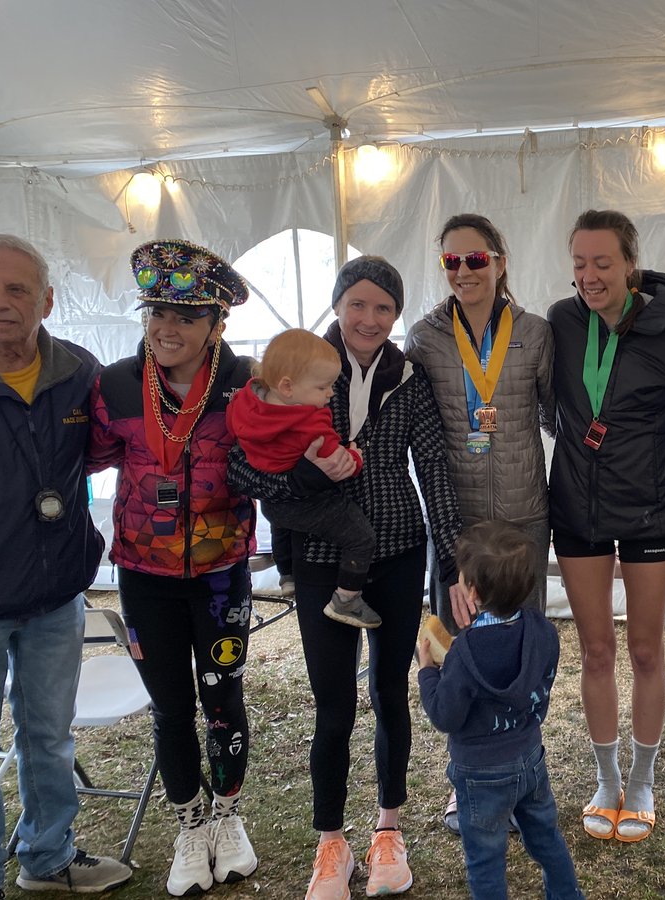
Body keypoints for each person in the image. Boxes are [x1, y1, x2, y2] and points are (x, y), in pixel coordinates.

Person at [227, 255, 462, 899]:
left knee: (390, 693)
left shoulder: (408, 377)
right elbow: (238, 467)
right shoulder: (298, 366)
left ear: (396, 315)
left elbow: (433, 468)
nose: (369, 318)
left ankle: (389, 829)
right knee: (333, 706)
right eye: (358, 303)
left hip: (398, 550)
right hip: (319, 556)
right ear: (337, 306)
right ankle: (331, 841)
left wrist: (452, 559)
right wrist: (300, 480)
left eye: (384, 307)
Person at [0, 234, 132, 899]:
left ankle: (47, 856)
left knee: (49, 737)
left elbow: (120, 438)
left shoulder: (77, 372)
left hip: (56, 595)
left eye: (17, 289)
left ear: (47, 301)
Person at [89, 239, 259, 897]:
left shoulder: (245, 384)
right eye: (157, 311)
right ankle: (190, 826)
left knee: (223, 699)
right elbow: (91, 455)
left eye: (186, 316)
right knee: (169, 707)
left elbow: (274, 455)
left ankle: (227, 817)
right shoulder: (114, 385)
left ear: (217, 323)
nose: (167, 327)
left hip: (221, 575)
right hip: (143, 574)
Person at [547, 209, 665, 844]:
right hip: (579, 507)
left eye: (603, 262)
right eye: (580, 263)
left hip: (653, 507)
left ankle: (642, 779)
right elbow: (546, 404)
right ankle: (607, 777)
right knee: (595, 649)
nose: (589, 275)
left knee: (645, 648)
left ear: (630, 264)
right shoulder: (563, 322)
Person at [404, 212, 555, 832]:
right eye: (452, 261)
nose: (464, 271)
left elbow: (556, 416)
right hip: (458, 520)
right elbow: (417, 429)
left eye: (475, 259)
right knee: (459, 643)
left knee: (523, 645)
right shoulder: (423, 337)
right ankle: (463, 776)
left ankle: (522, 769)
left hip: (523, 517)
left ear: (499, 260)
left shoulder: (536, 333)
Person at [416, 521, 584, 900]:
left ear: (472, 591)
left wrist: (428, 673)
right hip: (530, 758)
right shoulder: (543, 631)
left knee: (486, 860)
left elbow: (444, 715)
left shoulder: (464, 652)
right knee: (547, 839)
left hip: (479, 773)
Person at [226, 327, 380, 628]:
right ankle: (346, 599)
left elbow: (233, 435)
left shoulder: (245, 404)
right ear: (287, 386)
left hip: (272, 503)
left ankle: (286, 575)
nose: (330, 393)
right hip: (308, 504)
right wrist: (356, 456)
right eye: (323, 387)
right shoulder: (310, 424)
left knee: (282, 523)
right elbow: (338, 464)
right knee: (362, 537)